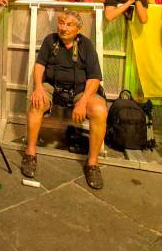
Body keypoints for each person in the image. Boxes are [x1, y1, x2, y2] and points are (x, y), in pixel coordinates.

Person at [22, 10, 107, 190]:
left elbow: (94, 78)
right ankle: (30, 153)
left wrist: (83, 102)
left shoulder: (86, 45)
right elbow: (39, 66)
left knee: (99, 110)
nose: (63, 28)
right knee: (36, 102)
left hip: (80, 90)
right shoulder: (50, 41)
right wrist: (38, 87)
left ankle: (92, 163)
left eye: (69, 25)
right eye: (61, 23)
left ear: (78, 28)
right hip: (53, 87)